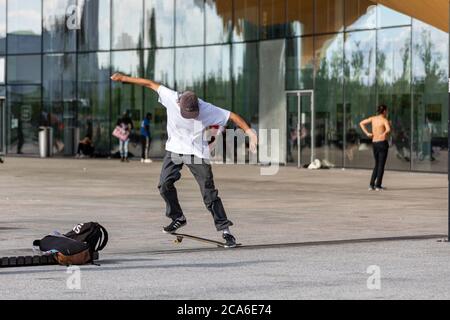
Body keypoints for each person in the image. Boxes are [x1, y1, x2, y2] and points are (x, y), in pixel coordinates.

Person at [111, 72, 258, 248]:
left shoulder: (206, 109)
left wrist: (250, 132)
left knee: (208, 192)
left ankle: (226, 231)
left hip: (196, 153)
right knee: (164, 185)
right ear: (179, 103)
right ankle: (177, 217)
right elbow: (149, 84)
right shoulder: (171, 97)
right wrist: (124, 79)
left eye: (193, 114)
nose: (191, 116)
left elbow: (232, 116)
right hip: (174, 149)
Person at [360, 105, 391, 191]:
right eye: (386, 111)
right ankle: (378, 185)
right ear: (384, 111)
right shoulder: (384, 120)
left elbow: (361, 123)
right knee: (381, 165)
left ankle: (371, 185)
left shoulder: (373, 118)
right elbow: (388, 129)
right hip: (382, 143)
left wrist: (367, 133)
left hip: (375, 143)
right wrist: (384, 133)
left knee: (377, 164)